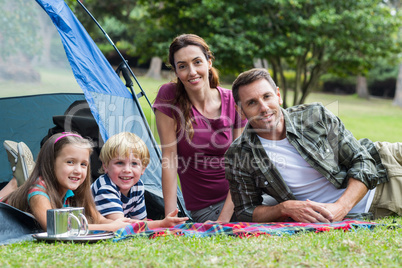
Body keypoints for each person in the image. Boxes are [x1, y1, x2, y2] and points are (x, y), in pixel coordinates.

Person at [225, 68, 402, 223]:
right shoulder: (239, 155)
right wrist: (283, 208)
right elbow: (245, 211)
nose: (263, 108)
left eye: (267, 96)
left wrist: (340, 207)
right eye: (252, 103)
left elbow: (363, 160)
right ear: (240, 110)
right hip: (374, 203)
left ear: (278, 95)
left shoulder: (314, 116)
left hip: (385, 168)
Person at [153, 34, 247, 222]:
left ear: (209, 62)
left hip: (242, 199)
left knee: (292, 205)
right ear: (176, 71)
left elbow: (240, 166)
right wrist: (169, 218)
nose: (192, 71)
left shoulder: (232, 100)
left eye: (197, 62)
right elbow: (169, 159)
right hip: (207, 209)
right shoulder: (169, 96)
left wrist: (224, 218)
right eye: (182, 66)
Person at [1, 132, 136, 232]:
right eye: (70, 162)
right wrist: (109, 227)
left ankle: (18, 180)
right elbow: (54, 227)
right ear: (51, 162)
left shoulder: (74, 192)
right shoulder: (38, 192)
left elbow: (99, 219)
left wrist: (121, 223)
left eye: (83, 164)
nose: (78, 170)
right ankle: (16, 182)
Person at [91, 132, 188, 228]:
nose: (127, 170)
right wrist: (161, 224)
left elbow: (141, 221)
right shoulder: (105, 187)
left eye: (134, 163)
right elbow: (121, 225)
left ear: (143, 169)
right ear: (105, 166)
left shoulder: (137, 186)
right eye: (119, 163)